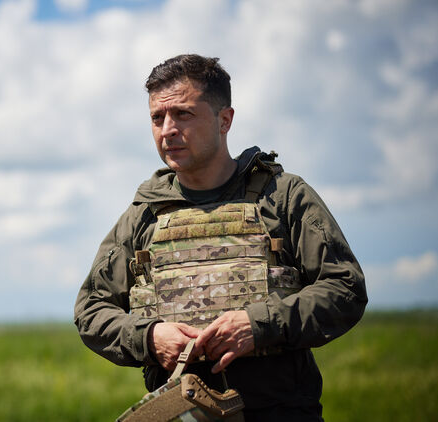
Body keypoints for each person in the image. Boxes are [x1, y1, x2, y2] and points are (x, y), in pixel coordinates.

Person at [74, 54, 367, 421]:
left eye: (183, 114)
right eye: (157, 118)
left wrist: (259, 325)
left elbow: (345, 288)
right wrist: (149, 337)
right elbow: (91, 310)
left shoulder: (282, 197)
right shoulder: (144, 214)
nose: (167, 130)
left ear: (224, 119)